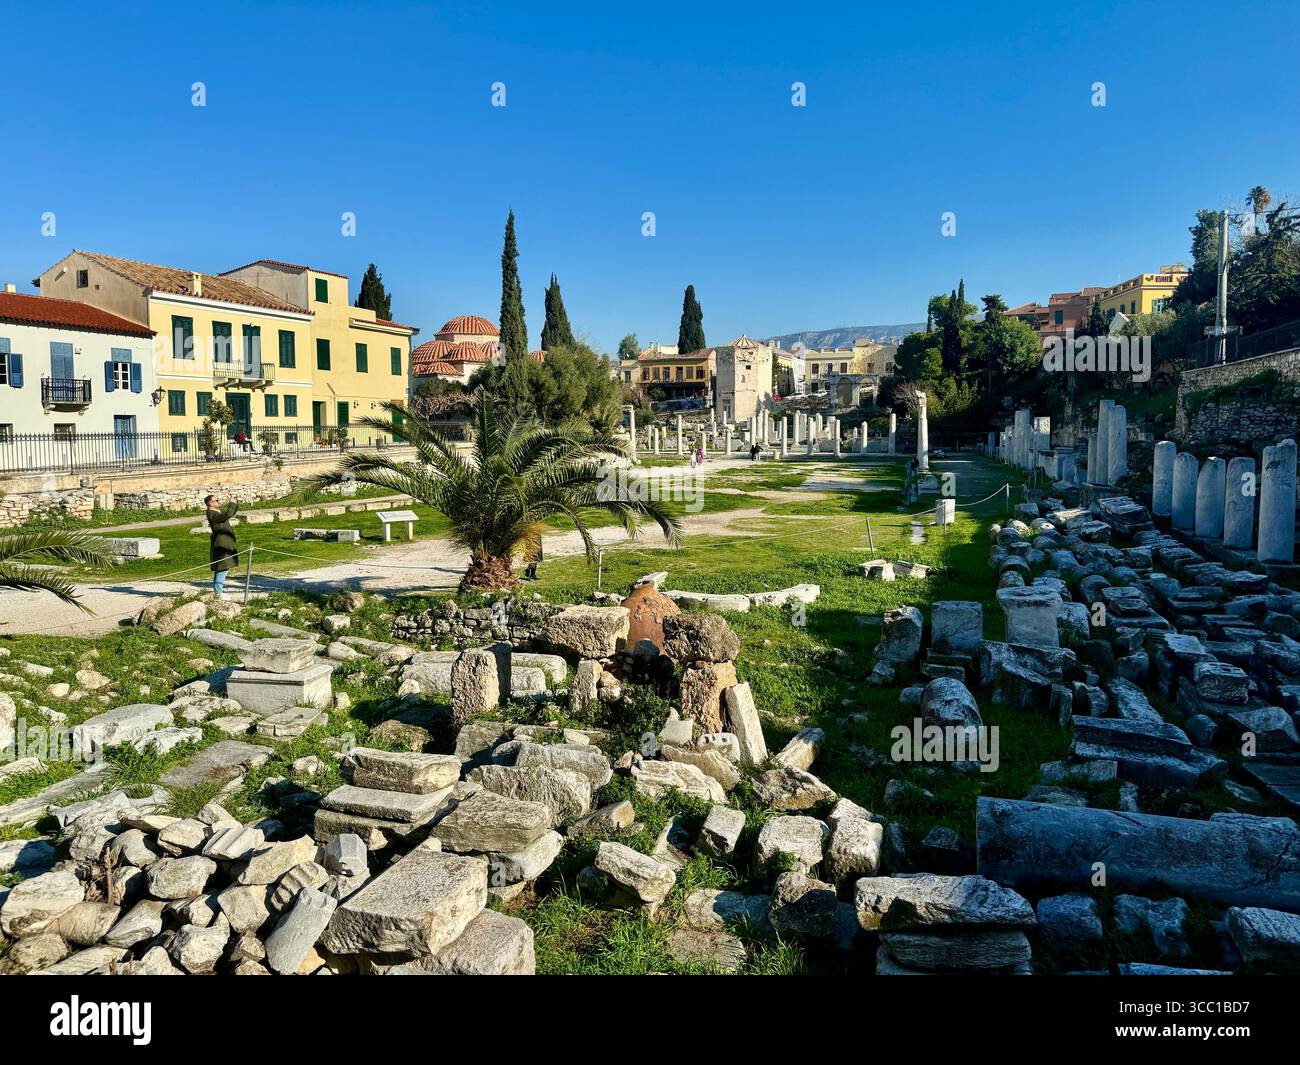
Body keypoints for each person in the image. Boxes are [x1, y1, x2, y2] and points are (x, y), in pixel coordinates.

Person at [206, 494, 240, 597]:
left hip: (224, 543)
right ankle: (218, 592)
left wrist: (234, 504)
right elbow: (227, 515)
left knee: (223, 568)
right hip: (221, 545)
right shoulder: (212, 514)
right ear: (210, 503)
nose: (219, 502)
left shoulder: (215, 512)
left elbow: (229, 514)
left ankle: (218, 592)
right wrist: (232, 504)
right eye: (216, 500)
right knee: (222, 568)